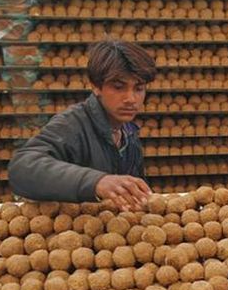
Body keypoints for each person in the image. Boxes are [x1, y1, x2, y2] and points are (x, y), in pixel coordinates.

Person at [9, 40, 156, 211]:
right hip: (73, 234)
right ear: (96, 86)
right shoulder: (72, 124)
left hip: (112, 232)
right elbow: (22, 168)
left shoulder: (129, 133)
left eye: (138, 89)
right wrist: (96, 182)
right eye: (118, 87)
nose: (131, 98)